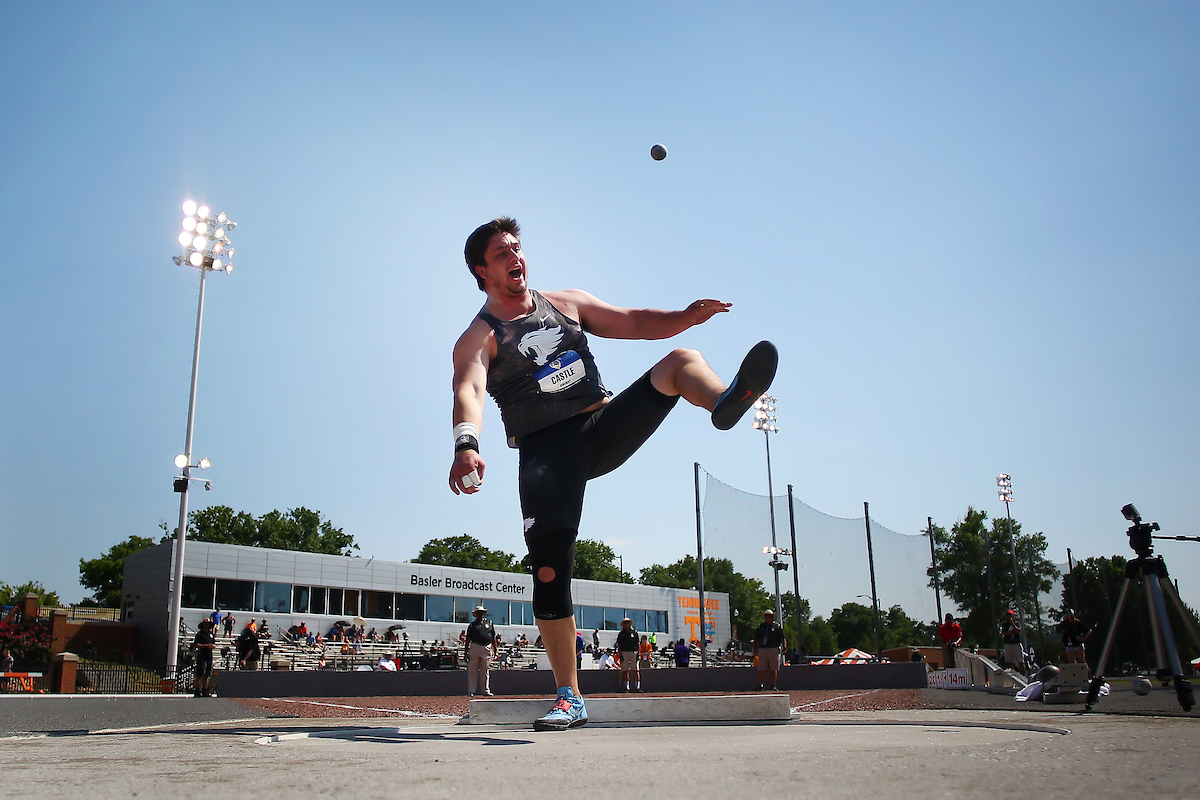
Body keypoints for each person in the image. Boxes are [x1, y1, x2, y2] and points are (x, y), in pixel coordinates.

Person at [448, 217, 778, 731]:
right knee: (550, 573)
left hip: (601, 427)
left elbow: (635, 320)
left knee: (679, 361)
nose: (516, 256)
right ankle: (568, 697)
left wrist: (687, 315)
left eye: (518, 247)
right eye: (502, 253)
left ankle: (723, 401)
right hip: (546, 455)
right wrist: (466, 443)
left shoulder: (566, 302)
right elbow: (468, 387)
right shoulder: (479, 335)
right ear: (482, 269)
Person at [465, 605, 497, 697]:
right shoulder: (472, 625)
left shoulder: (489, 623)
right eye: (479, 613)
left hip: (486, 647)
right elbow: (468, 639)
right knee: (472, 670)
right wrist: (466, 651)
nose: (481, 615)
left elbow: (493, 637)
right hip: (475, 647)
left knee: (485, 671)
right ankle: (471, 691)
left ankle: (485, 690)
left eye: (482, 613)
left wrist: (495, 649)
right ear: (476, 614)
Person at [753, 609, 786, 691]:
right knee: (761, 668)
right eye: (766, 616)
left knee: (774, 668)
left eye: (770, 616)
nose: (768, 617)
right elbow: (756, 639)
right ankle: (760, 685)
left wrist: (784, 647)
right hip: (763, 649)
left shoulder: (777, 626)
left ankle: (773, 685)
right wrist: (754, 648)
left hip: (774, 648)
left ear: (772, 617)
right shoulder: (761, 627)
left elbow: (783, 638)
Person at [615, 618, 641, 692]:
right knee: (625, 670)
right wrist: (620, 654)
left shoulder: (634, 632)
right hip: (624, 652)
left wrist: (638, 653)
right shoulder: (621, 634)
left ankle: (637, 687)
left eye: (627, 623)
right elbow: (619, 645)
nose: (626, 624)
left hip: (633, 652)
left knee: (635, 670)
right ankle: (627, 687)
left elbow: (638, 644)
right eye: (624, 623)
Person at [192, 618, 216, 697]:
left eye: (208, 623)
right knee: (200, 673)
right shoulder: (200, 634)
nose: (207, 625)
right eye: (206, 623)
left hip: (209, 655)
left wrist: (212, 646)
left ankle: (205, 690)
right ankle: (197, 690)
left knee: (207, 674)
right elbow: (196, 645)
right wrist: (206, 646)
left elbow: (213, 643)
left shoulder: (211, 634)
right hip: (202, 655)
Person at [1000, 609, 1025, 676]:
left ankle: (1024, 677)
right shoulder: (1005, 624)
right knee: (1010, 662)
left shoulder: (1017, 623)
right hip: (1008, 644)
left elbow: (1018, 630)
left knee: (1021, 661)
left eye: (1010, 615)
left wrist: (1012, 624)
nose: (1009, 616)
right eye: (1008, 615)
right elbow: (1004, 633)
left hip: (1016, 643)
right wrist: (1012, 632)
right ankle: (1013, 676)